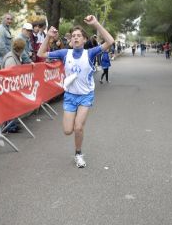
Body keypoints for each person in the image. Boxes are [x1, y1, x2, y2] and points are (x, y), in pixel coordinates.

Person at [37, 15, 114, 168]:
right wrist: (48, 37)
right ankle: (77, 147)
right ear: (71, 40)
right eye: (73, 36)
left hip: (86, 95)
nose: (76, 38)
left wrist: (96, 24)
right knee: (67, 131)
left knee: (78, 127)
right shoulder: (64, 53)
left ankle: (78, 154)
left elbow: (110, 41)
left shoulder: (90, 53)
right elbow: (41, 54)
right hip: (70, 96)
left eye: (79, 36)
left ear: (84, 40)